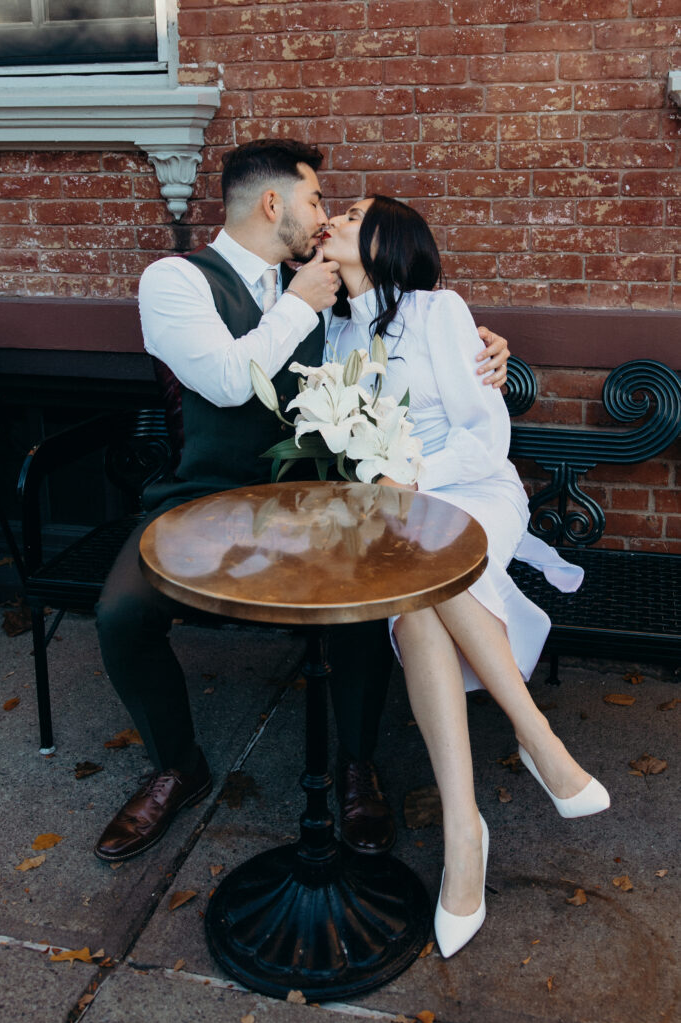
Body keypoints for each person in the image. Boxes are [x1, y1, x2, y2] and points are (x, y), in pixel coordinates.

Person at [93, 140, 510, 864]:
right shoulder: (176, 281)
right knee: (121, 613)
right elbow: (225, 381)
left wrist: (490, 352)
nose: (323, 219)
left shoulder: (328, 291)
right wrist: (294, 305)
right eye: (317, 200)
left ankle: (356, 765)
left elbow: (406, 331)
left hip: (321, 498)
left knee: (363, 602)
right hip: (203, 496)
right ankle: (176, 765)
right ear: (271, 203)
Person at [320, 194, 610, 958]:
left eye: (352, 213)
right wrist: (389, 488)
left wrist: (414, 475)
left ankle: (509, 773)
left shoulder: (437, 310)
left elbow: (485, 440)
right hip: (397, 512)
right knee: (415, 603)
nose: (335, 218)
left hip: (472, 491)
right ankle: (475, 812)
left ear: (389, 239)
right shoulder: (333, 326)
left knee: (427, 579)